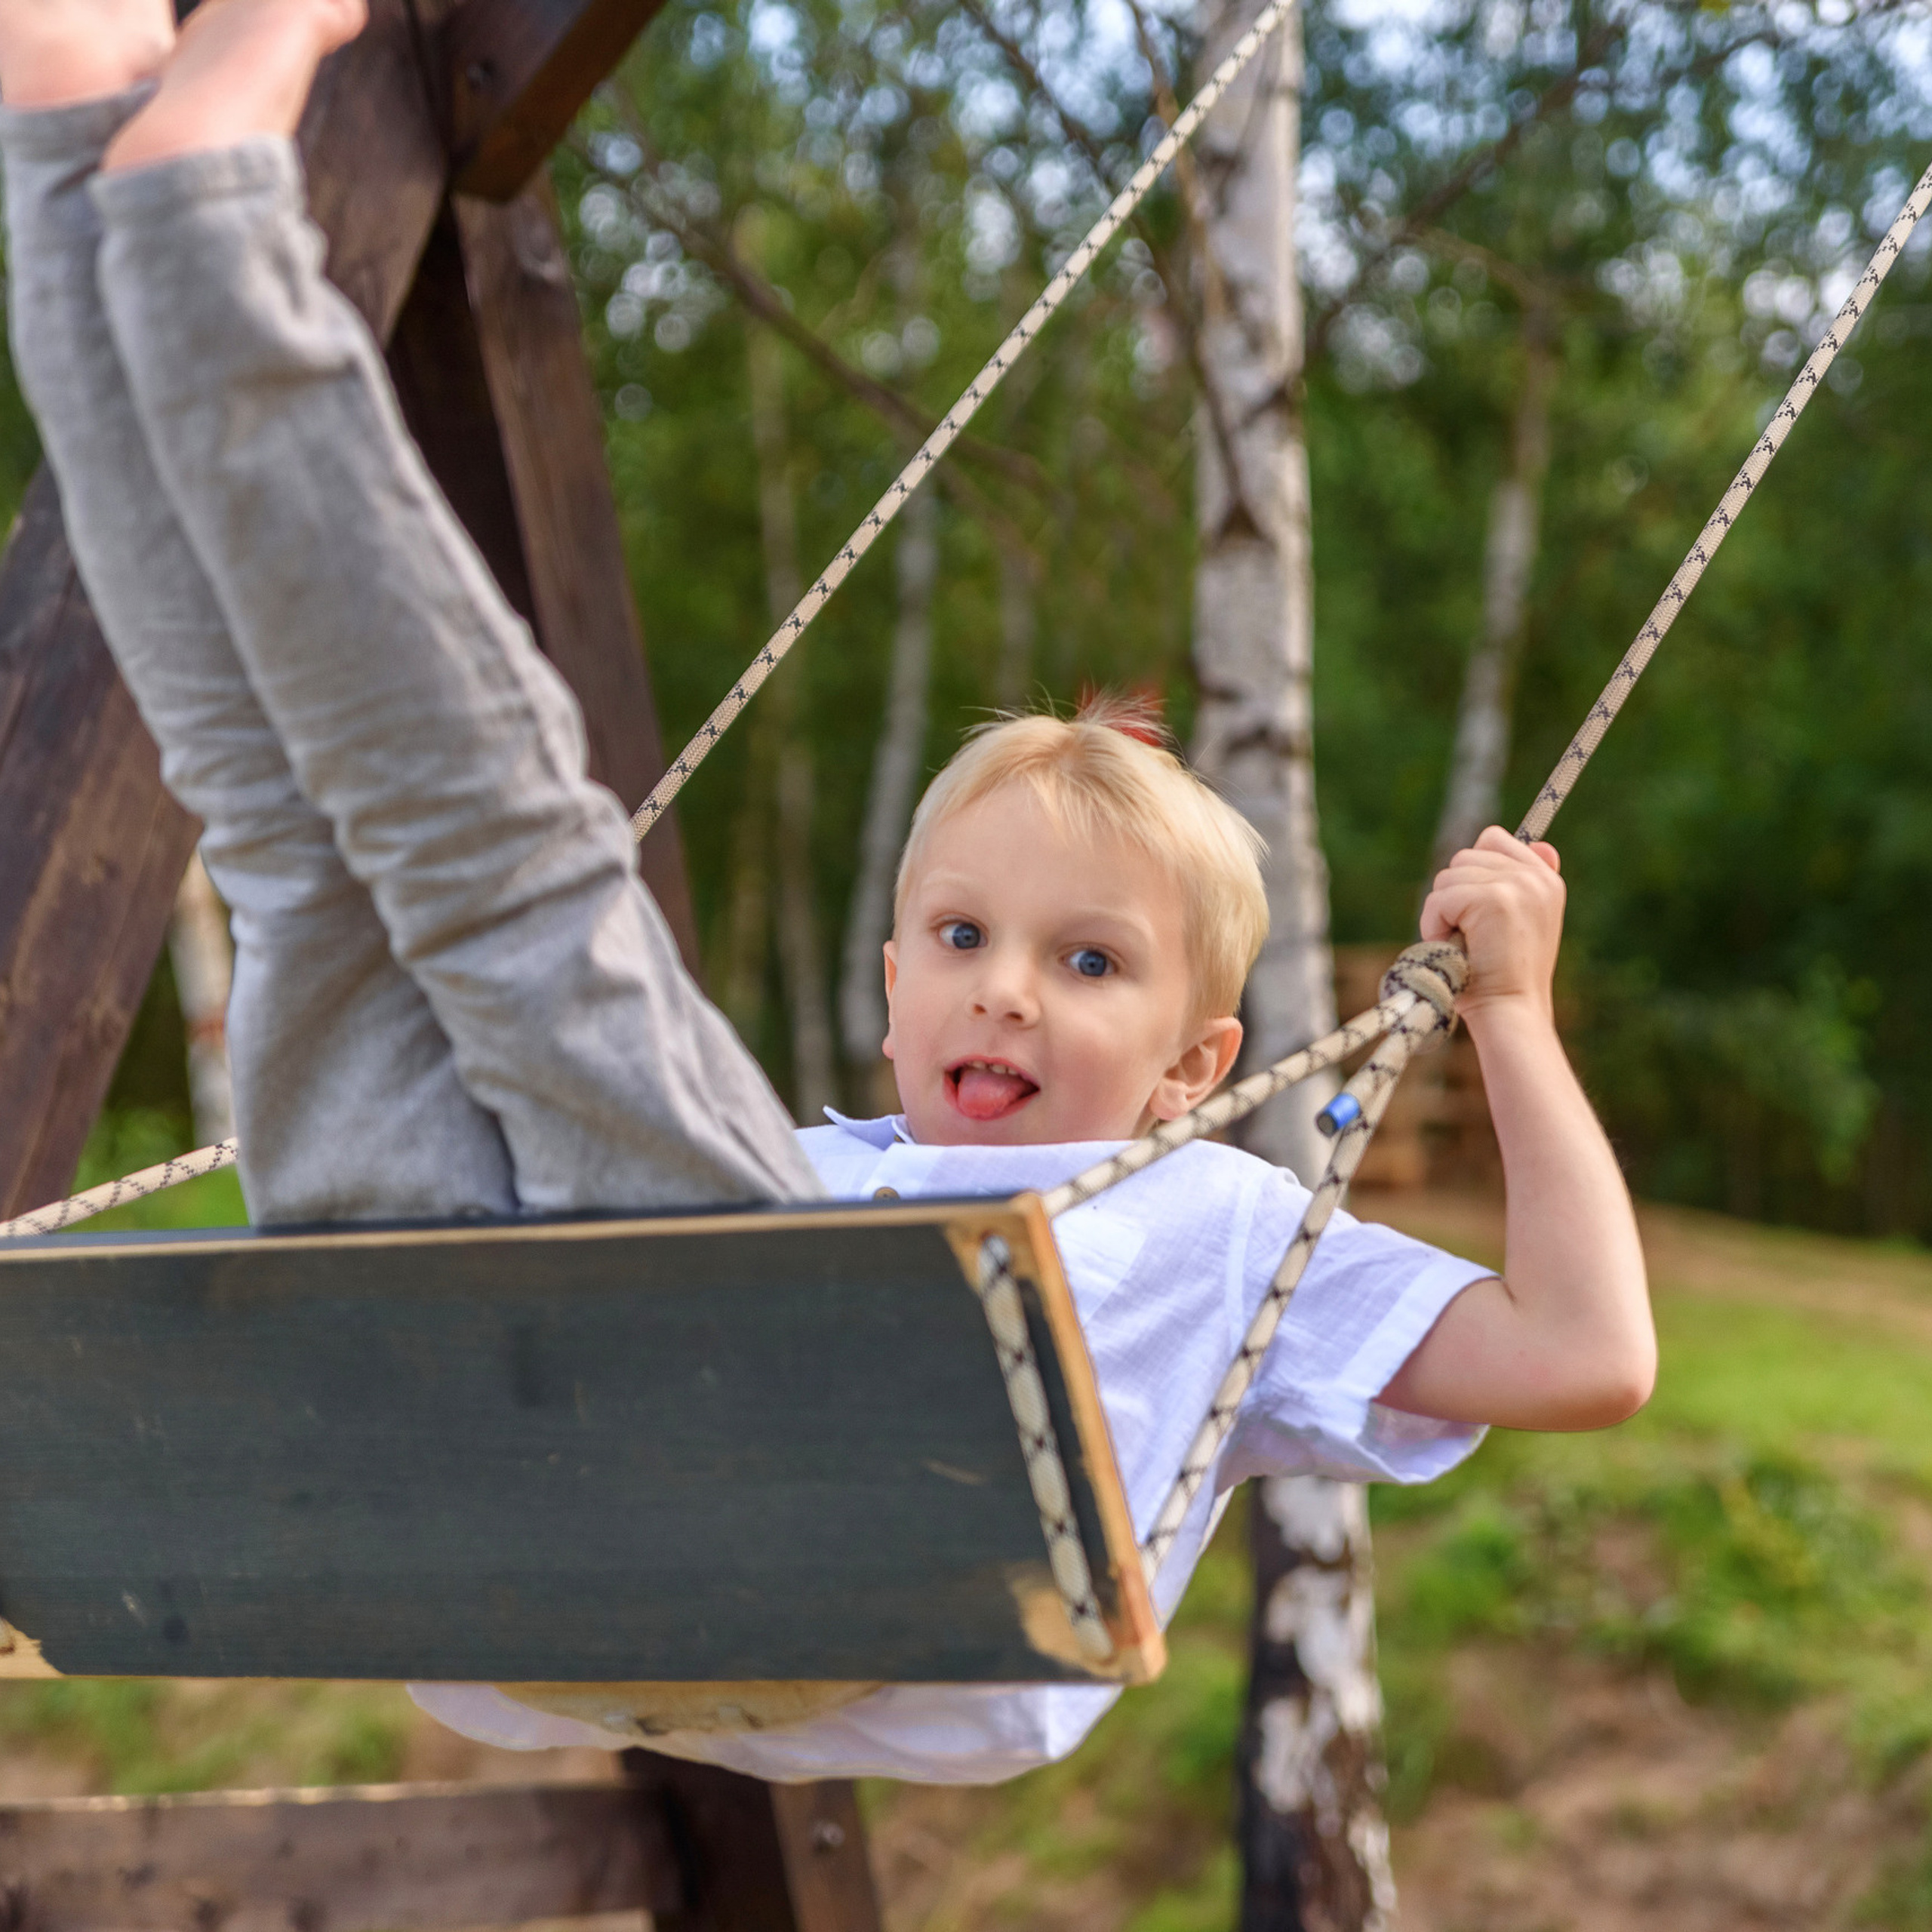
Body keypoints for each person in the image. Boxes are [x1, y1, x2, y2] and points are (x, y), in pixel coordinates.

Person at [0, 0, 1653, 1785]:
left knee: (480, 864)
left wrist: (1506, 1019)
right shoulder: (823, 1167)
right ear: (886, 989)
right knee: (284, 836)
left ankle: (182, 211)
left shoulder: (1220, 1228)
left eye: (1087, 960)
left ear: (1196, 1064)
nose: (1001, 987)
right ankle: (70, 143)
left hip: (737, 1492)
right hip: (521, 1487)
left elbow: (1584, 1351)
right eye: (959, 937)